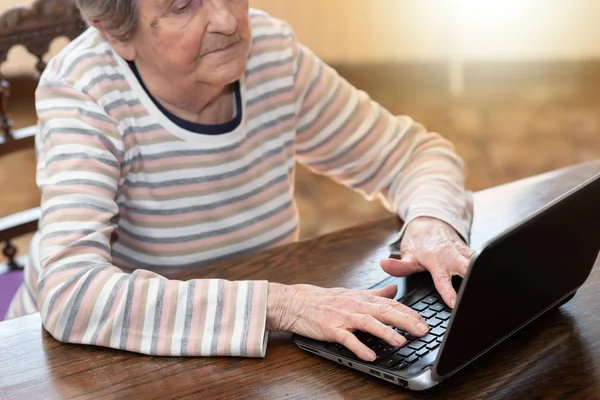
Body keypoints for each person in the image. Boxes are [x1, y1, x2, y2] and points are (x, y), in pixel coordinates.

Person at [6, 0, 474, 363]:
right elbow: (72, 294)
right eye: (183, 5)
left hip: (249, 348)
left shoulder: (271, 53)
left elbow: (413, 154)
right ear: (116, 34)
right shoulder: (85, 89)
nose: (228, 21)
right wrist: (282, 305)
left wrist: (431, 224)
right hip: (91, 357)